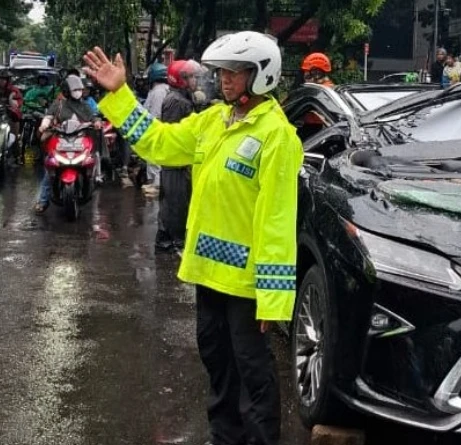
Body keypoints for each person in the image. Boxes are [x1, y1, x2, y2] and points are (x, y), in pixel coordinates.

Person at [85, 30, 302, 445]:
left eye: (236, 73)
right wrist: (121, 94)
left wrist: (272, 299)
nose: (225, 80)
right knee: (217, 364)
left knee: (253, 374)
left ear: (262, 75)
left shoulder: (276, 136)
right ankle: (225, 439)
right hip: (208, 275)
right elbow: (158, 143)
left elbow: (277, 221)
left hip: (246, 287)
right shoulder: (212, 122)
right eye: (223, 72)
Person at [155, 59, 211, 252]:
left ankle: (169, 239)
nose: (195, 81)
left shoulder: (182, 98)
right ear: (180, 79)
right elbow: (174, 132)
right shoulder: (176, 101)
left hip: (178, 163)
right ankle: (170, 241)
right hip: (175, 164)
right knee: (175, 204)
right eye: (191, 77)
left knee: (175, 202)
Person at [33, 75, 102, 213]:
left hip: (80, 139)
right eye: (74, 89)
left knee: (93, 157)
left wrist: (96, 122)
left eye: (79, 89)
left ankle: (97, 177)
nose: (78, 92)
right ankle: (43, 200)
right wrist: (44, 125)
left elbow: (93, 117)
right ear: (66, 90)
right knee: (50, 168)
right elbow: (48, 117)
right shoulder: (59, 104)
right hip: (61, 139)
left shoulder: (85, 105)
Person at [141, 63, 169, 196]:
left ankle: (157, 185)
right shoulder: (162, 89)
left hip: (155, 128)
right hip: (159, 128)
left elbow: (156, 113)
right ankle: (154, 183)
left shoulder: (158, 91)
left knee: (154, 159)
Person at [0, 69, 24, 161]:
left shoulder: (14, 90)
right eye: (0, 79)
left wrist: (11, 98)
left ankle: (17, 156)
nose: (1, 81)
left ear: (8, 80)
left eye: (4, 79)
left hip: (11, 117)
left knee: (13, 137)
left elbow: (16, 104)